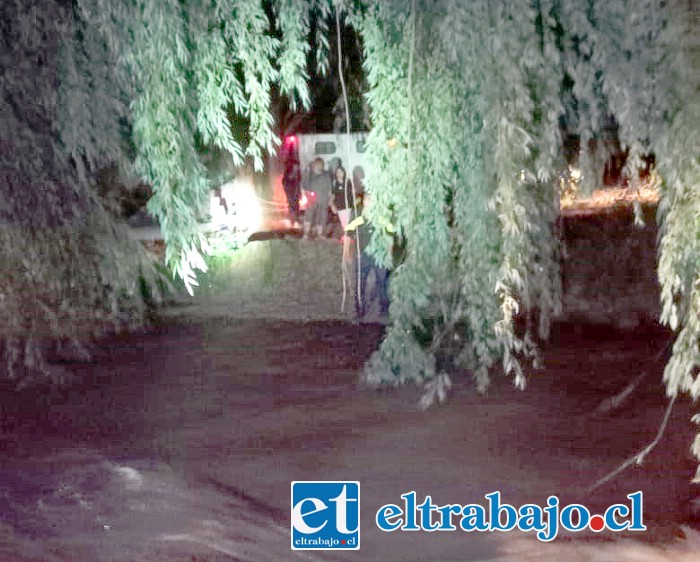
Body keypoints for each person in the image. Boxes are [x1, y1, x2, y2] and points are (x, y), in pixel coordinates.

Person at [345, 192, 392, 321]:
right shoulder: (357, 217)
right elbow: (348, 235)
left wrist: (388, 254)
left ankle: (384, 312)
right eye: (368, 199)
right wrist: (347, 254)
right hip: (362, 256)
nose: (370, 202)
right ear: (364, 201)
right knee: (360, 284)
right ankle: (359, 311)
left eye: (373, 200)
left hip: (379, 256)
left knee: (382, 283)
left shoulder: (382, 217)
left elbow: (389, 237)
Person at [301, 157, 333, 240]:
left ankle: (319, 235)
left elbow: (329, 189)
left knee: (322, 217)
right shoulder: (309, 174)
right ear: (314, 165)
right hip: (312, 199)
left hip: (323, 200)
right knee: (308, 216)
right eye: (318, 164)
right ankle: (306, 234)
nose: (319, 166)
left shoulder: (326, 175)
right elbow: (303, 186)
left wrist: (330, 200)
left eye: (321, 165)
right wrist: (304, 195)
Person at [330, 165, 354, 234]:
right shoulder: (335, 184)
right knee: (344, 224)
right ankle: (346, 236)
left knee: (350, 222)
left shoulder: (348, 182)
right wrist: (332, 205)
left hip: (349, 205)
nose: (339, 174)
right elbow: (333, 195)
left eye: (341, 172)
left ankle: (350, 236)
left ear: (344, 172)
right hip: (340, 206)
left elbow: (352, 193)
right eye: (337, 172)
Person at [282, 158, 301, 228]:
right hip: (291, 193)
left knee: (296, 206)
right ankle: (292, 222)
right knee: (292, 206)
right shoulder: (288, 174)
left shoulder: (297, 175)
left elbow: (298, 184)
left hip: (296, 193)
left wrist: (299, 192)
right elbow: (285, 183)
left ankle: (295, 221)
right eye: (296, 167)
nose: (297, 168)